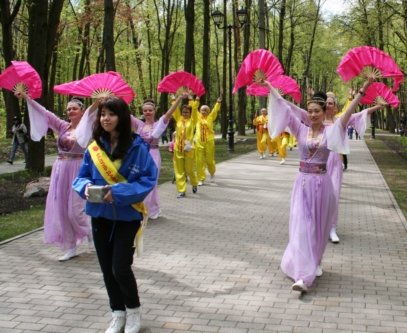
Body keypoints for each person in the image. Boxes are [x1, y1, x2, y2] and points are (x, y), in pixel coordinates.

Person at [265, 78, 374, 292]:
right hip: (302, 185)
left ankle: (315, 261)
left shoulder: (332, 131)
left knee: (317, 229)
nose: (313, 114)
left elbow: (350, 112)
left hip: (322, 186)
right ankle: (303, 277)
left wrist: (364, 88)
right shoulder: (300, 128)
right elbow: (283, 105)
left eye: (317, 111)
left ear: (324, 112)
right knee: (301, 228)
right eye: (310, 111)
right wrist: (268, 85)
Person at [72, 97, 157, 333]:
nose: (106, 119)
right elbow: (81, 177)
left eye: (111, 114)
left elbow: (148, 179)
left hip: (128, 217)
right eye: (102, 114)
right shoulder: (94, 147)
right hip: (99, 215)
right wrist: (86, 188)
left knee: (120, 267)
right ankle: (117, 313)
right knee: (106, 268)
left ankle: (133, 312)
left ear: (122, 117)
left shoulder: (137, 147)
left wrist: (117, 192)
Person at [15, 91, 97, 261]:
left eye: (74, 109)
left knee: (75, 209)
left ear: (81, 111)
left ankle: (89, 232)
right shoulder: (62, 126)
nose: (70, 112)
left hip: (78, 168)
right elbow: (45, 113)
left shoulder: (87, 126)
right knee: (61, 208)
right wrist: (27, 98)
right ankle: (70, 247)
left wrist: (99, 101)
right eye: (68, 109)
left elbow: (91, 112)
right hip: (60, 169)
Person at [130, 94, 187, 219]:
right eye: (145, 110)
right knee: (139, 181)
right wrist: (115, 97)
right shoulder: (139, 124)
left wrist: (179, 98)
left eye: (150, 110)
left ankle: (151, 209)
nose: (147, 112)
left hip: (153, 155)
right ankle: (140, 208)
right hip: (140, 156)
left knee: (151, 182)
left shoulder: (159, 124)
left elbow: (169, 113)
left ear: (154, 111)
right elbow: (124, 114)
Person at [172, 95, 200, 198]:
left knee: (189, 169)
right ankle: (181, 190)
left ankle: (194, 183)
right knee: (179, 170)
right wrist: (173, 98)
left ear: (190, 113)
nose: (185, 114)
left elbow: (195, 108)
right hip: (178, 149)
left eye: (187, 112)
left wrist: (191, 99)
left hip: (188, 149)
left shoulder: (193, 120)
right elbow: (174, 109)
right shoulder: (179, 119)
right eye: (183, 112)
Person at [195, 95, 222, 185]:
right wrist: (196, 99)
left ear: (208, 111)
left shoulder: (211, 117)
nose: (203, 111)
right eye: (202, 110)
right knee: (199, 161)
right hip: (199, 142)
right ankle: (201, 179)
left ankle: (212, 173)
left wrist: (218, 102)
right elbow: (194, 107)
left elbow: (215, 110)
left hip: (209, 142)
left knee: (210, 160)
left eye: (205, 110)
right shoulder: (197, 117)